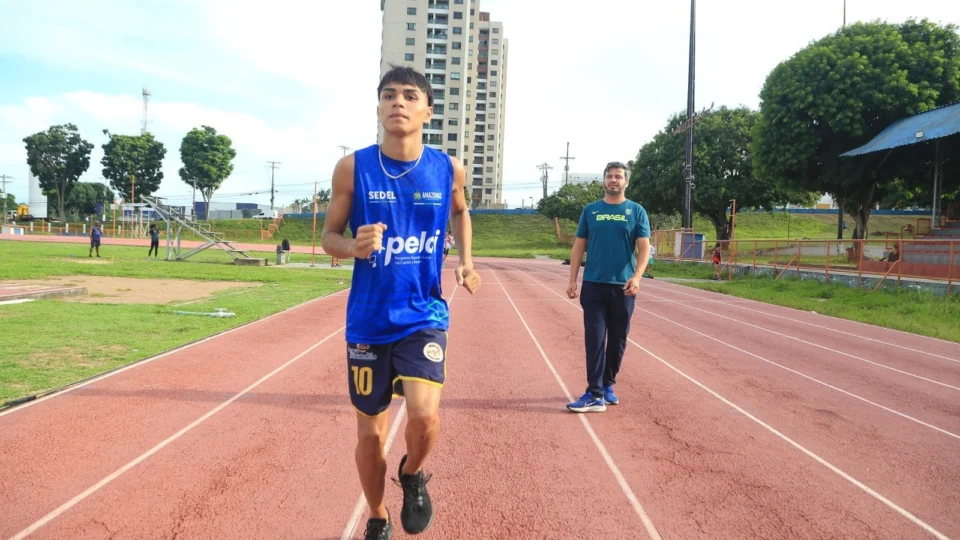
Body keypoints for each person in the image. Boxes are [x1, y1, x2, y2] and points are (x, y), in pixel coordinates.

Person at [321, 64, 481, 540]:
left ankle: (412, 473)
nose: (398, 103)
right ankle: (377, 513)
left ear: (427, 111)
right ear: (377, 107)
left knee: (425, 415)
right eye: (389, 95)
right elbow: (330, 235)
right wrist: (352, 246)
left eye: (410, 96)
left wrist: (467, 261)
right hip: (369, 321)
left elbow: (461, 211)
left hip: (423, 313)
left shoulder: (447, 167)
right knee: (369, 438)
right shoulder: (353, 168)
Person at [565, 162, 650, 413]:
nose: (613, 180)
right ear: (604, 181)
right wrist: (572, 279)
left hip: (623, 287)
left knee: (618, 340)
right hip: (594, 285)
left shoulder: (636, 211)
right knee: (594, 339)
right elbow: (579, 246)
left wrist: (637, 277)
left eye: (618, 177)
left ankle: (607, 384)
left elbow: (644, 248)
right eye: (609, 176)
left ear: (626, 182)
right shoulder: (591, 211)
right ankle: (594, 393)